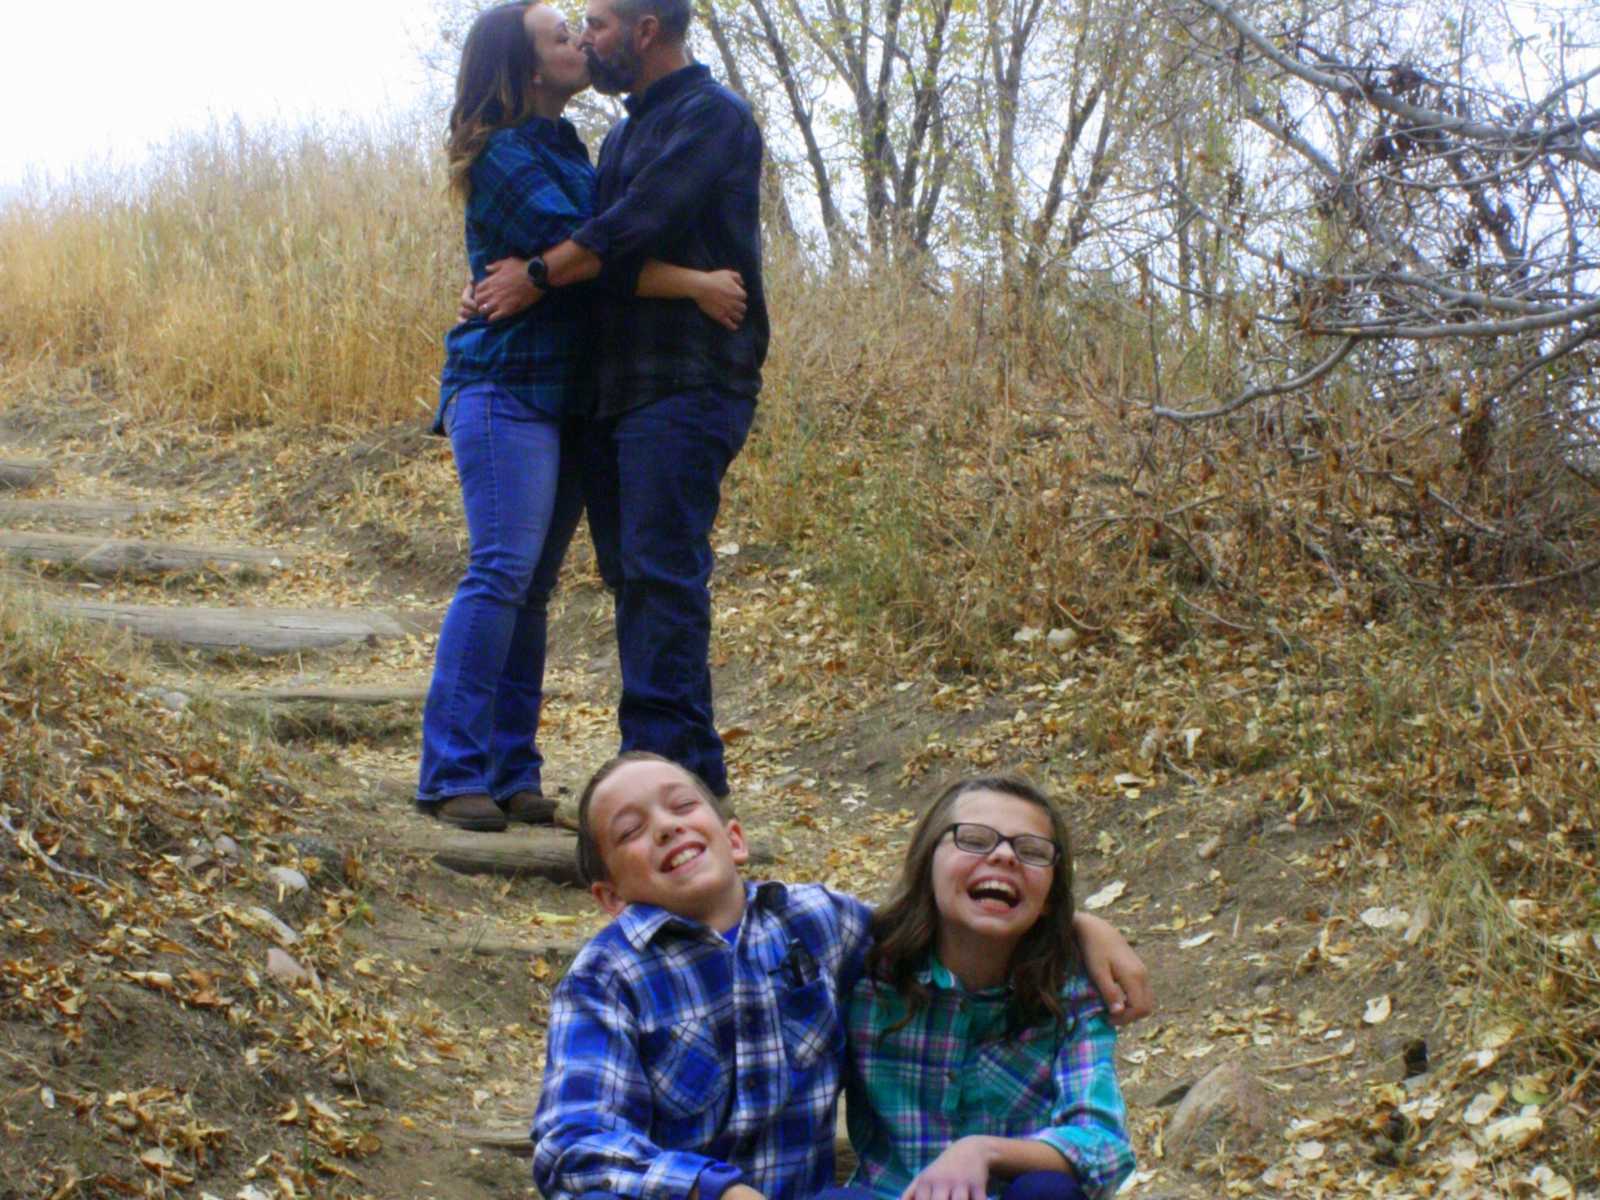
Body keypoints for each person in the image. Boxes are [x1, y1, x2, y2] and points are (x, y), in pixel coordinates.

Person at [530, 754, 1151, 1200]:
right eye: (632, 831)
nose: (665, 826)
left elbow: (954, 916)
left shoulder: (815, 924)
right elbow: (573, 1142)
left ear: (736, 838)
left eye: (683, 805)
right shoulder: (605, 979)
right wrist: (713, 1192)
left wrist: (1079, 926)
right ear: (609, 897)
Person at [418, 2, 749, 832]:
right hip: (507, 387)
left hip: (571, 397)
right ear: (528, 68)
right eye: (563, 35)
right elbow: (591, 256)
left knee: (530, 591)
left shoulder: (585, 145)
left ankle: (511, 772)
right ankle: (452, 767)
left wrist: (538, 270)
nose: (579, 42)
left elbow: (597, 246)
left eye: (587, 26)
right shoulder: (507, 155)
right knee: (501, 573)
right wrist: (694, 282)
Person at [842, 776, 1135, 1200]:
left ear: (1051, 894)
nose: (1003, 856)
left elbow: (1105, 1146)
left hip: (1008, 1192)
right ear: (927, 864)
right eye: (975, 840)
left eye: (1032, 851)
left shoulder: (1070, 988)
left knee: (1048, 1191)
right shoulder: (862, 965)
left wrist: (982, 1152)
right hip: (892, 1192)